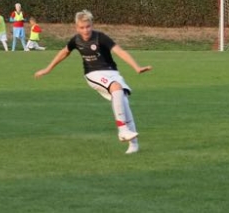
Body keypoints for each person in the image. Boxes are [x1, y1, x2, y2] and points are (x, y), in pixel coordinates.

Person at [34, 9, 152, 154]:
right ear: (77, 28)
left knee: (124, 103)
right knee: (116, 87)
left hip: (113, 73)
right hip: (93, 74)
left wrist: (136, 67)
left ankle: (133, 145)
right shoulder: (75, 40)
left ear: (92, 25)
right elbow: (64, 52)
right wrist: (48, 69)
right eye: (82, 27)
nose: (85, 30)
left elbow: (119, 51)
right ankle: (122, 130)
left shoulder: (101, 37)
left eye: (88, 26)